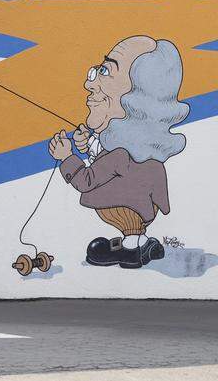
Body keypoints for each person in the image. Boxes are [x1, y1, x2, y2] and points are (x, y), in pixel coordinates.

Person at [47, 35, 189, 269]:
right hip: (144, 210)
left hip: (128, 211)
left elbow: (87, 181)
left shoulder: (121, 155)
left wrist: (67, 157)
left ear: (136, 95)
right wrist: (89, 145)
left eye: (105, 71)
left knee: (127, 226)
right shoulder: (138, 153)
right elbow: (109, 162)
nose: (89, 84)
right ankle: (141, 242)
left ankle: (133, 250)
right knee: (132, 225)